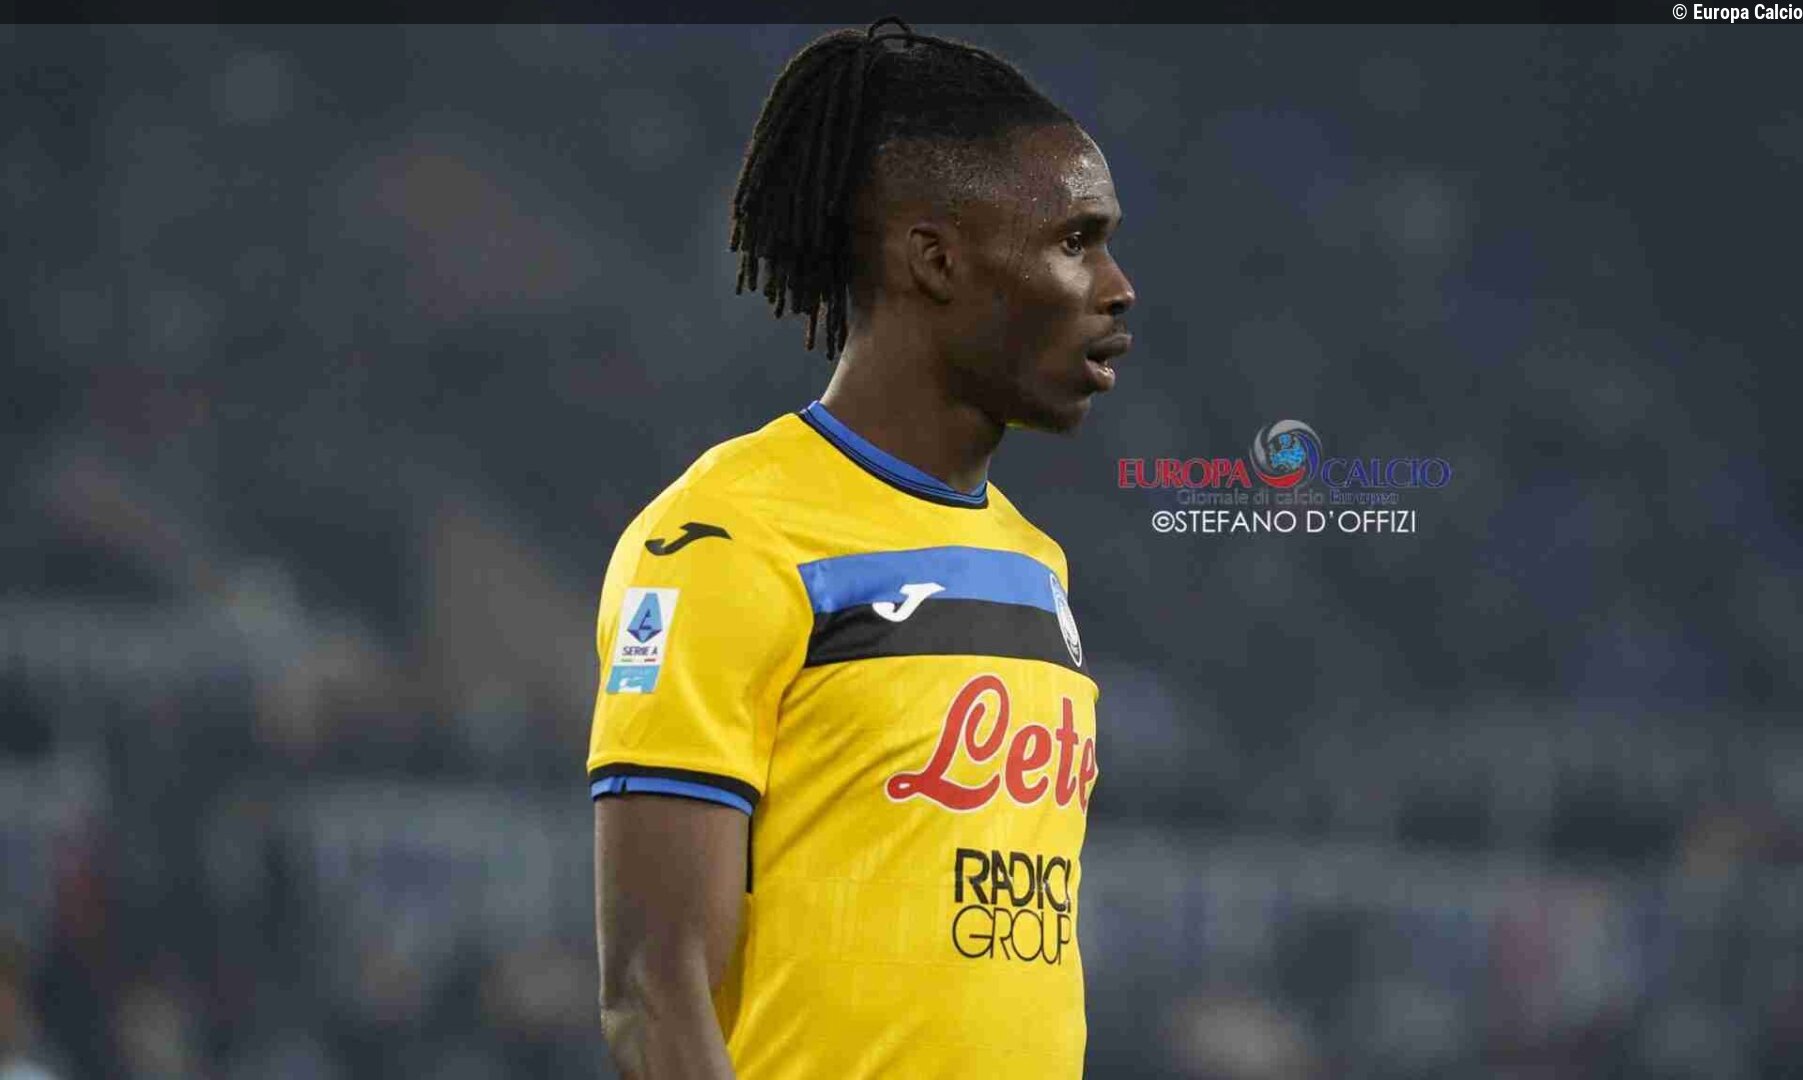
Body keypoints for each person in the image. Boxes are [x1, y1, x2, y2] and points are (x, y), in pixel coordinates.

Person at [588, 18, 1135, 1079]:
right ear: (935, 260)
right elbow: (653, 994)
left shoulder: (1036, 566)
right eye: (1075, 241)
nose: (1117, 286)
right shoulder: (725, 538)